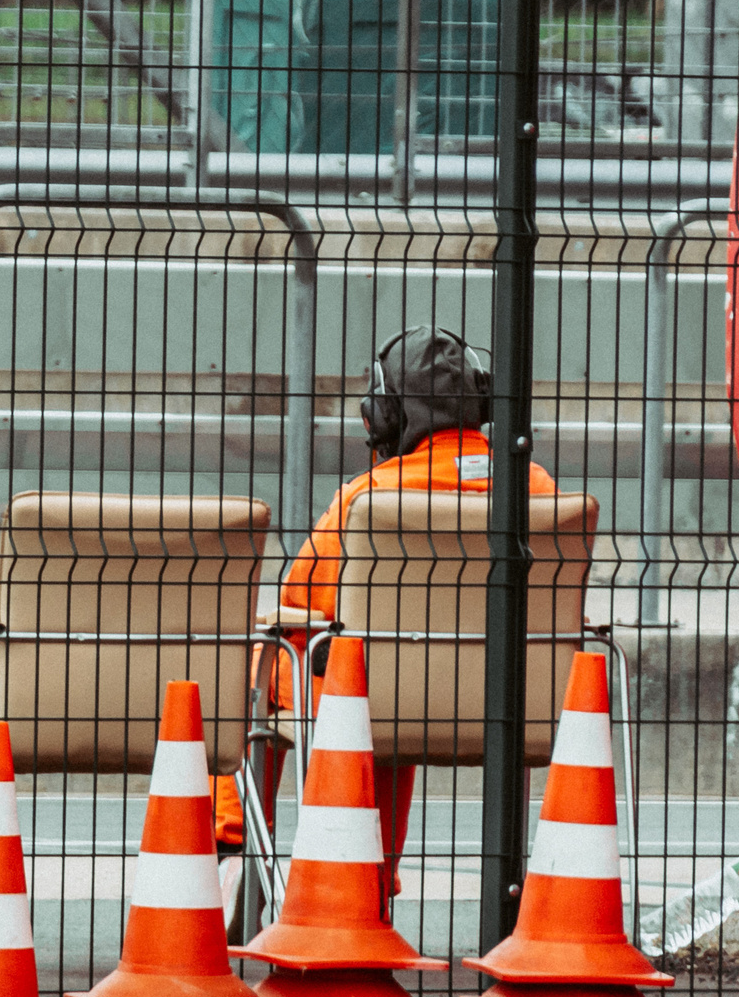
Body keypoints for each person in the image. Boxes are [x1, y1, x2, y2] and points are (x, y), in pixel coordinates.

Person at [213, 324, 555, 904]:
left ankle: (230, 851)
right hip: (512, 703)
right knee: (390, 672)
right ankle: (377, 883)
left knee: (283, 663)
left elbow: (299, 604)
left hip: (388, 704)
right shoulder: (538, 491)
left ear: (387, 414)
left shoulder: (368, 501)